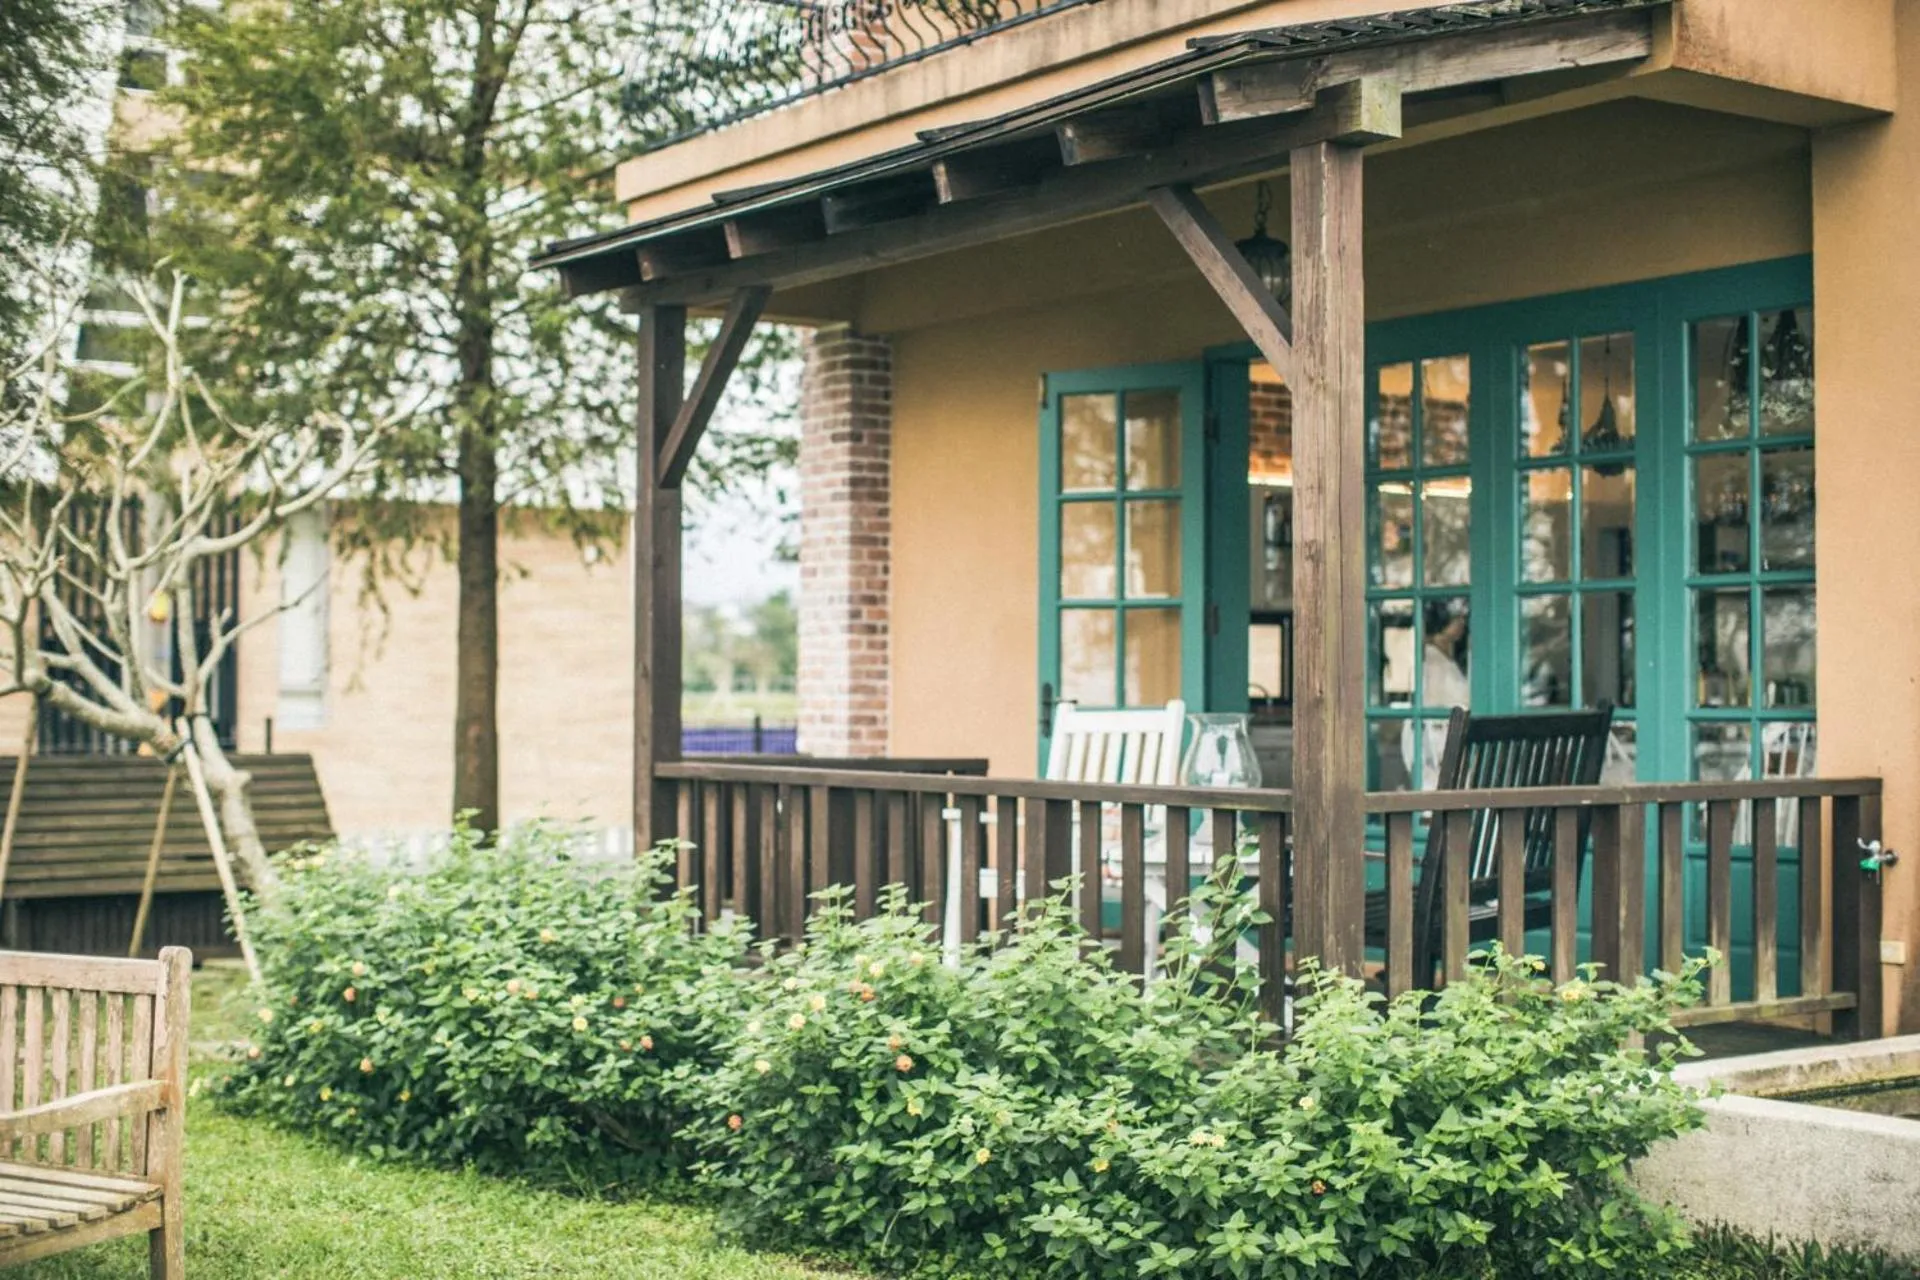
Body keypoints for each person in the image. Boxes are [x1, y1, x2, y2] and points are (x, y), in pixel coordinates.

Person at [1402, 600, 1470, 790]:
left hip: (1448, 743)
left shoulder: (1445, 660)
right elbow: (1433, 713)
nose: (1462, 624)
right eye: (1458, 619)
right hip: (1437, 746)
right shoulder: (1433, 662)